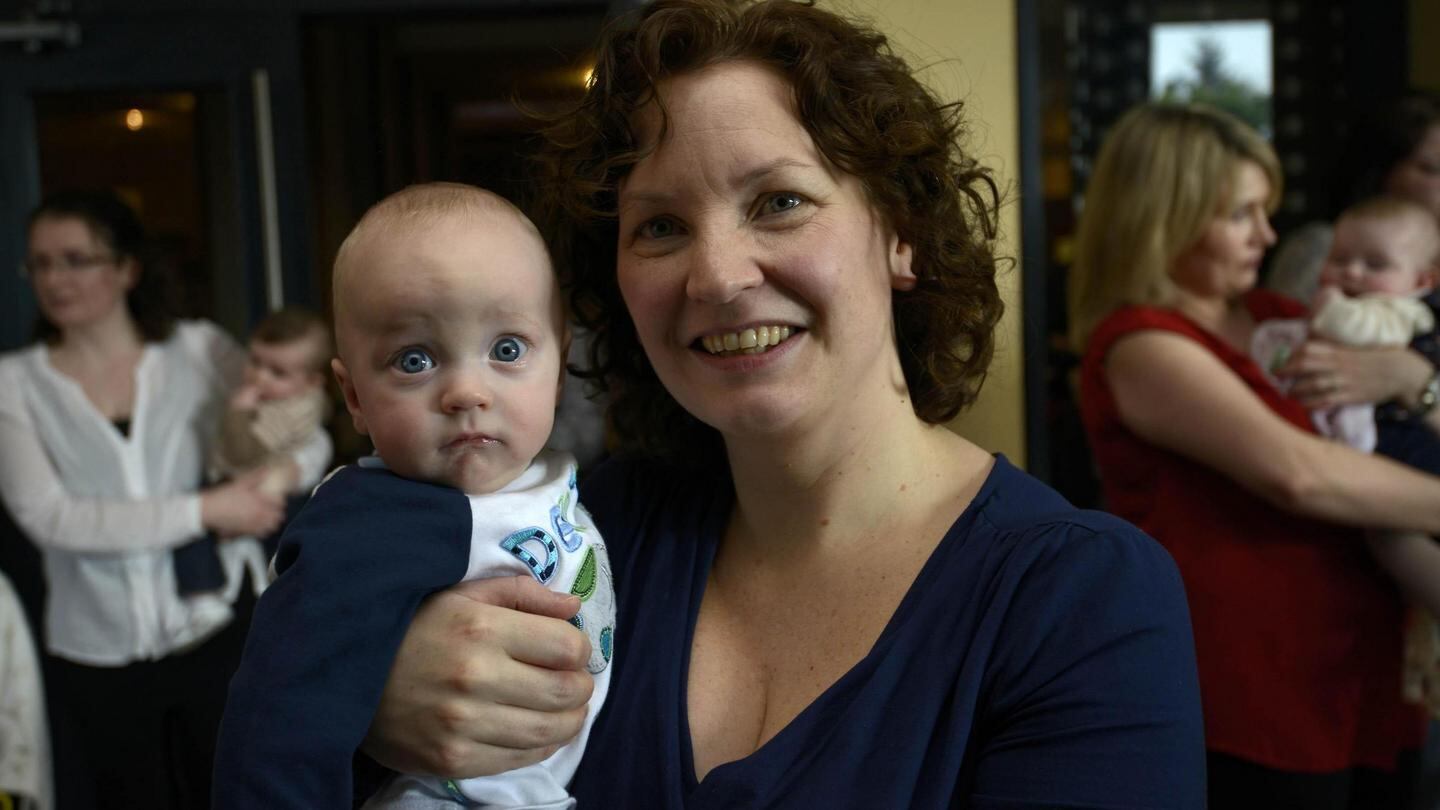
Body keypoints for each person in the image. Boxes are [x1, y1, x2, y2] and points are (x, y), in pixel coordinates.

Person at [356, 2, 1206, 807]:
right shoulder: (577, 533)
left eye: (779, 203)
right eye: (660, 226)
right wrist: (368, 704)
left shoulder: (1080, 599)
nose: (718, 276)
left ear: (901, 233)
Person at [1069, 102, 1440, 809]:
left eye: (1265, 212)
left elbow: (1396, 402)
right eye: (1242, 214)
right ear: (1166, 216)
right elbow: (1299, 474)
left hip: (1358, 663)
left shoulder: (1278, 317)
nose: (1268, 235)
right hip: (1256, 687)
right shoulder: (1143, 345)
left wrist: (1416, 380)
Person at [213, 183, 613, 810]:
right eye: (415, 360)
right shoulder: (372, 523)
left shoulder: (555, 476)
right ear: (354, 396)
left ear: (559, 368)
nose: (466, 391)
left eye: (506, 350)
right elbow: (278, 717)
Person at [0, 190, 331, 810]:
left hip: (217, 627)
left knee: (236, 795)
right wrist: (207, 510)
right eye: (39, 263)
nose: (54, 279)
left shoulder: (199, 349)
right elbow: (50, 517)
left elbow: (307, 434)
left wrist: (273, 481)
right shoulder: (13, 383)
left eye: (75, 259)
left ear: (127, 268)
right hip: (94, 652)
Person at [173, 306, 334, 600]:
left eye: (277, 373)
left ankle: (204, 591)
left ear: (312, 382)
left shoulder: (291, 412)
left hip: (269, 488)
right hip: (259, 483)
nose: (260, 377)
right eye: (255, 361)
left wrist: (237, 412)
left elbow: (243, 453)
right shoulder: (291, 396)